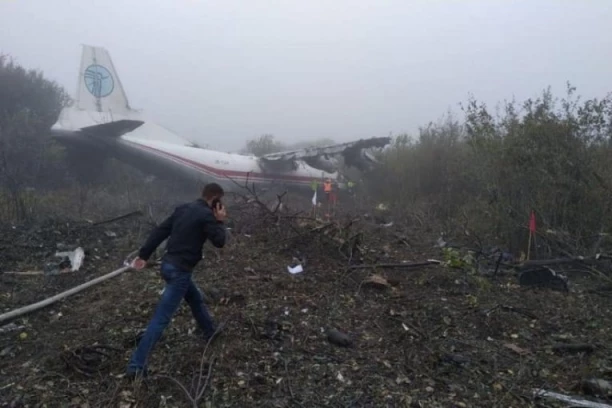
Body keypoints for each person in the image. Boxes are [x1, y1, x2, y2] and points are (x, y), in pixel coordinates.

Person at [126, 182, 228, 379]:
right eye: (219, 201)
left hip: (169, 266)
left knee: (195, 298)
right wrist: (220, 221)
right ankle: (136, 366)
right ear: (214, 198)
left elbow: (160, 232)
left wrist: (144, 255)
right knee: (161, 318)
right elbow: (220, 241)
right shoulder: (207, 216)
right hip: (180, 271)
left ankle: (210, 331)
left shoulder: (183, 209)